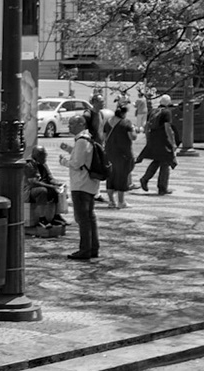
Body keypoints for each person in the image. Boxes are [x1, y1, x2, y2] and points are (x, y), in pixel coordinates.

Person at [66, 114, 102, 261]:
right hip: (89, 183)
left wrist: (64, 161)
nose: (69, 127)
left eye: (72, 124)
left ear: (81, 124)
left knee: (83, 218)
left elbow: (77, 163)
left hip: (81, 184)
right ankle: (93, 247)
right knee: (89, 217)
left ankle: (85, 249)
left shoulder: (82, 141)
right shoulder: (88, 139)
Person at [136, 98, 179, 195]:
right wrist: (172, 142)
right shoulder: (167, 112)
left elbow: (147, 126)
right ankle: (162, 188)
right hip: (163, 139)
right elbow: (168, 128)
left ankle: (145, 179)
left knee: (157, 160)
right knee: (165, 162)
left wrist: (148, 140)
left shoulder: (153, 111)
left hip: (153, 138)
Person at [103, 102, 137, 208]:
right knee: (122, 177)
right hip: (124, 154)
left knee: (111, 177)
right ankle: (121, 202)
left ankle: (111, 201)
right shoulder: (126, 123)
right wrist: (135, 130)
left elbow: (104, 137)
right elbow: (133, 137)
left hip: (110, 153)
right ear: (124, 113)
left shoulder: (107, 123)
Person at [26, 146, 66, 232]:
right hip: (30, 190)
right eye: (43, 156)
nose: (45, 158)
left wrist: (58, 184)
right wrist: (50, 186)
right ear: (37, 156)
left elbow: (50, 178)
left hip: (44, 186)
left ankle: (56, 216)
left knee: (56, 191)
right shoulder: (29, 165)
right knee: (42, 191)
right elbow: (34, 182)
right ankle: (42, 219)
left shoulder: (44, 165)